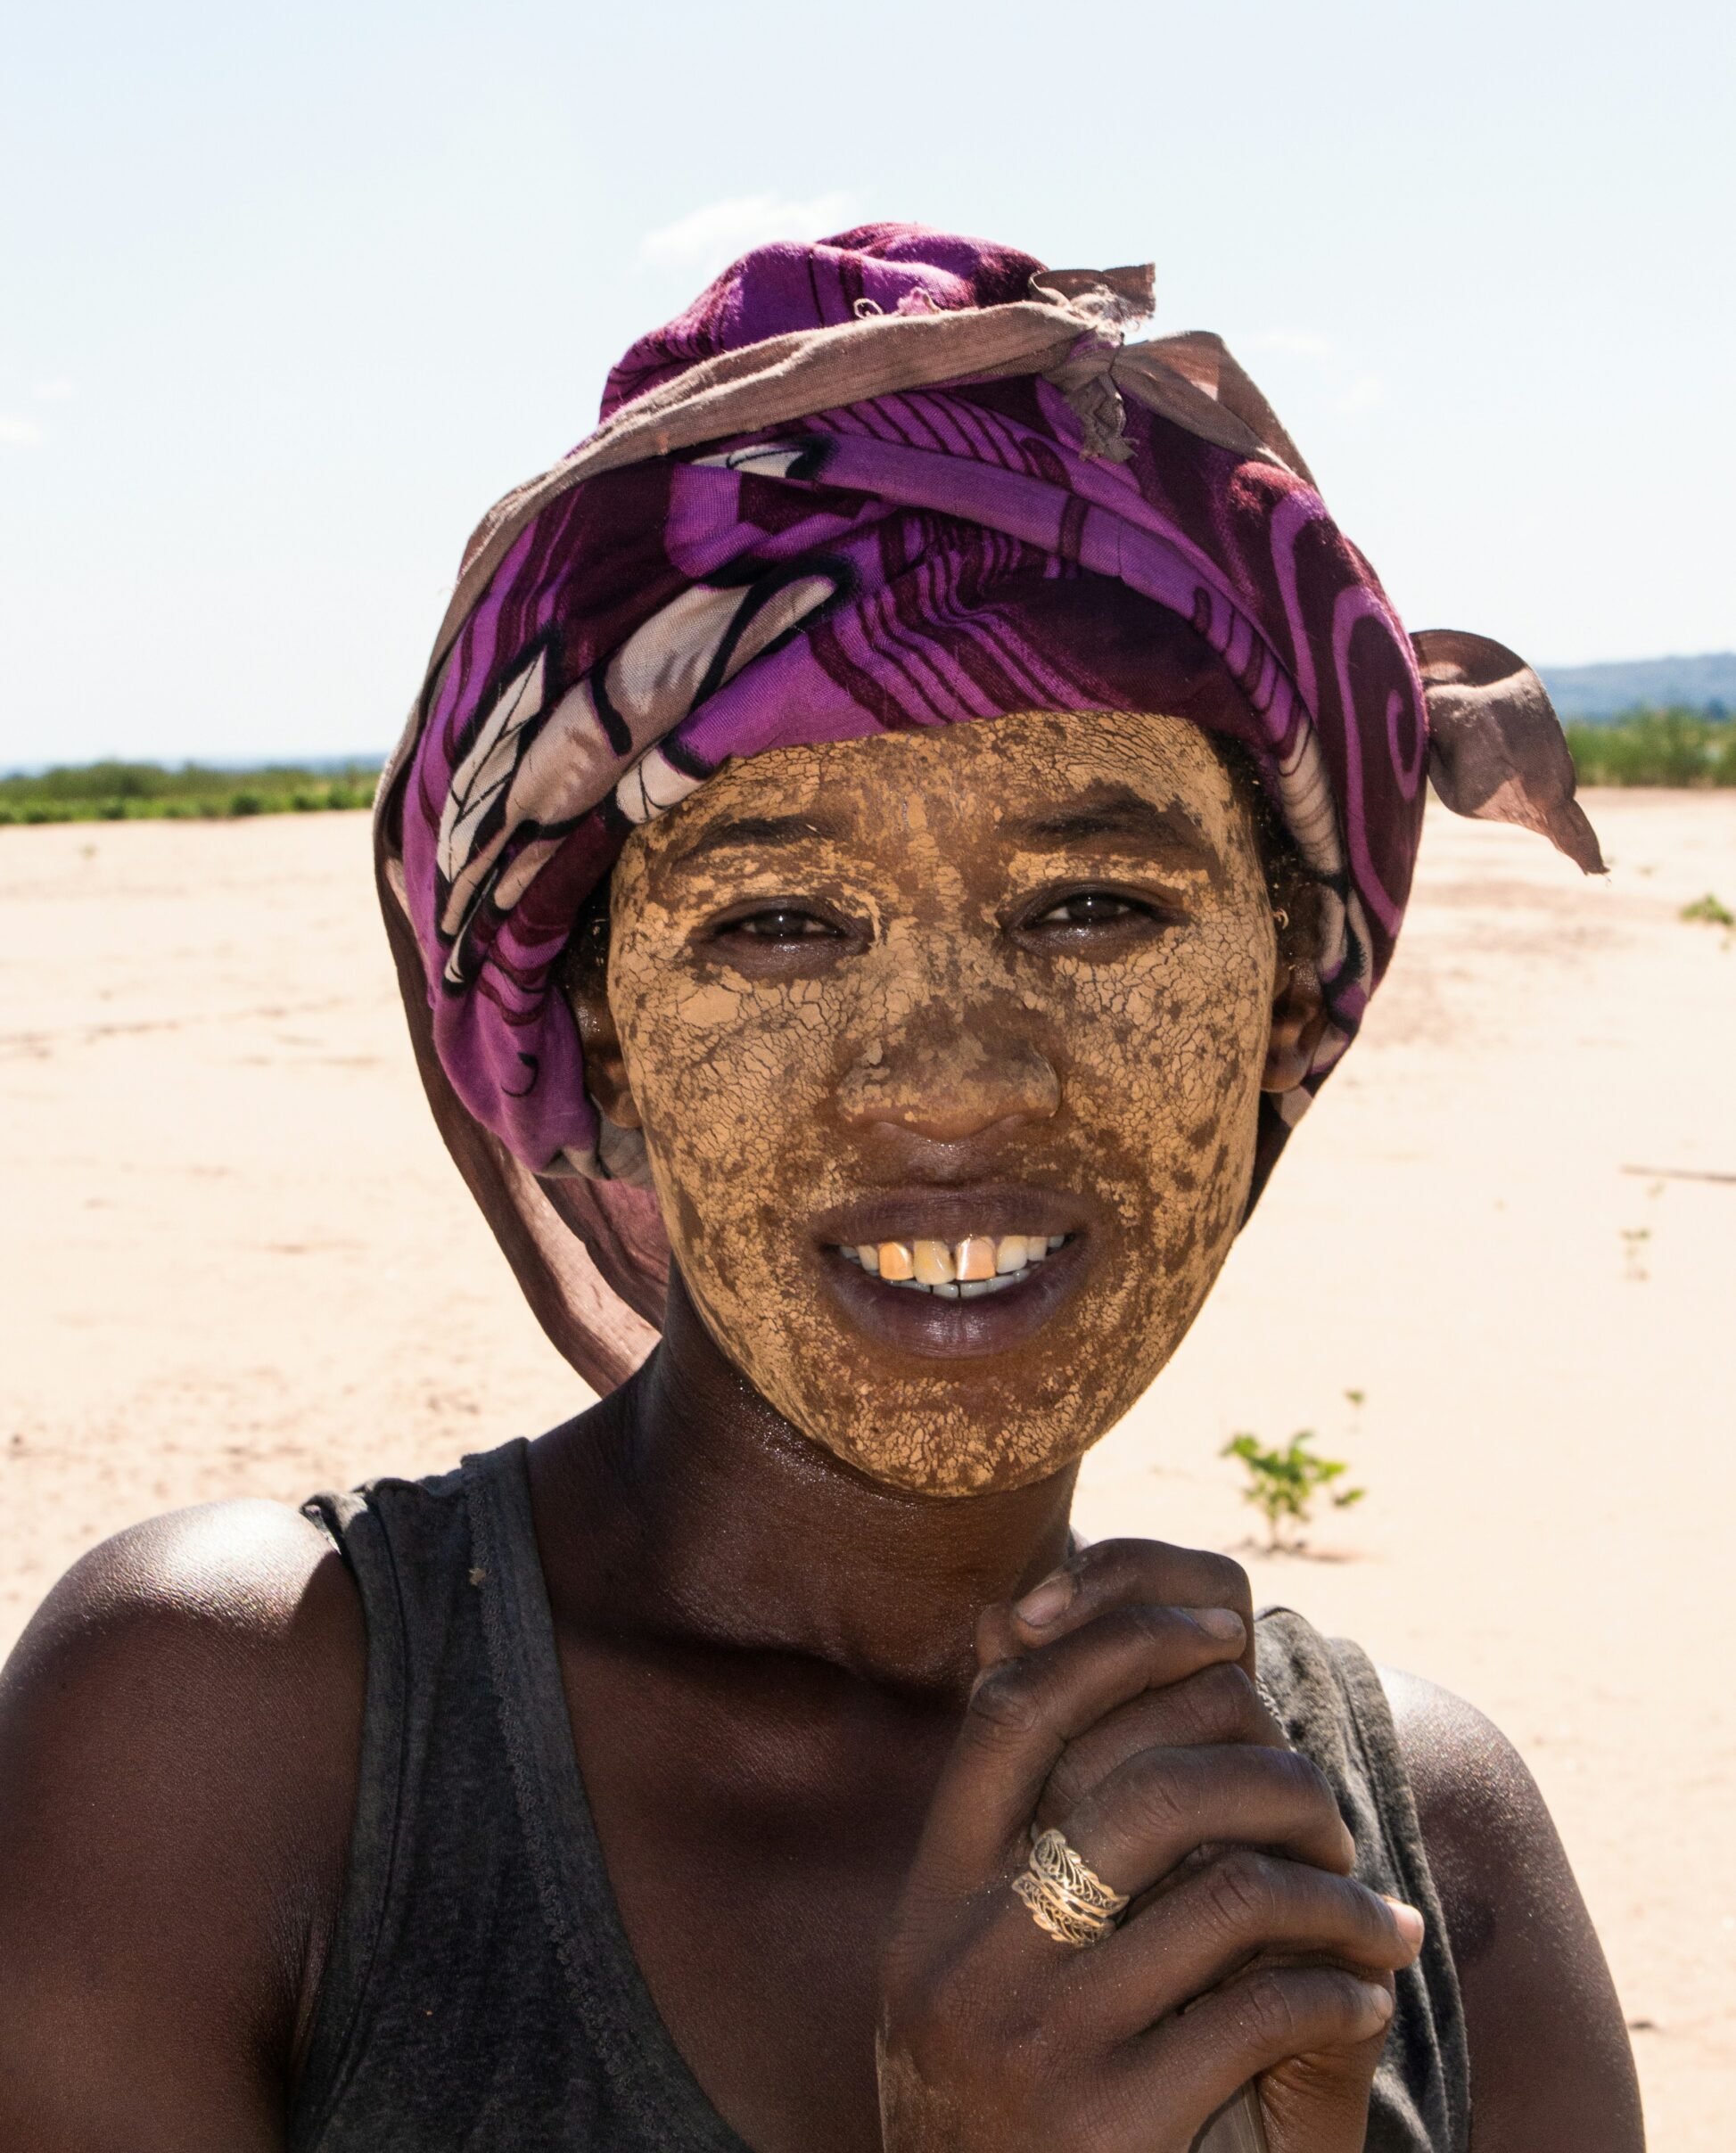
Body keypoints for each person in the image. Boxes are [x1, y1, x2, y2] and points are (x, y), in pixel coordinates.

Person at [0, 226, 1643, 2153]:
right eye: (775, 922)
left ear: (1279, 996)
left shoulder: (1431, 1859)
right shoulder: (228, 1731)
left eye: (1096, 907)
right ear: (597, 1033)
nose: (950, 1071)